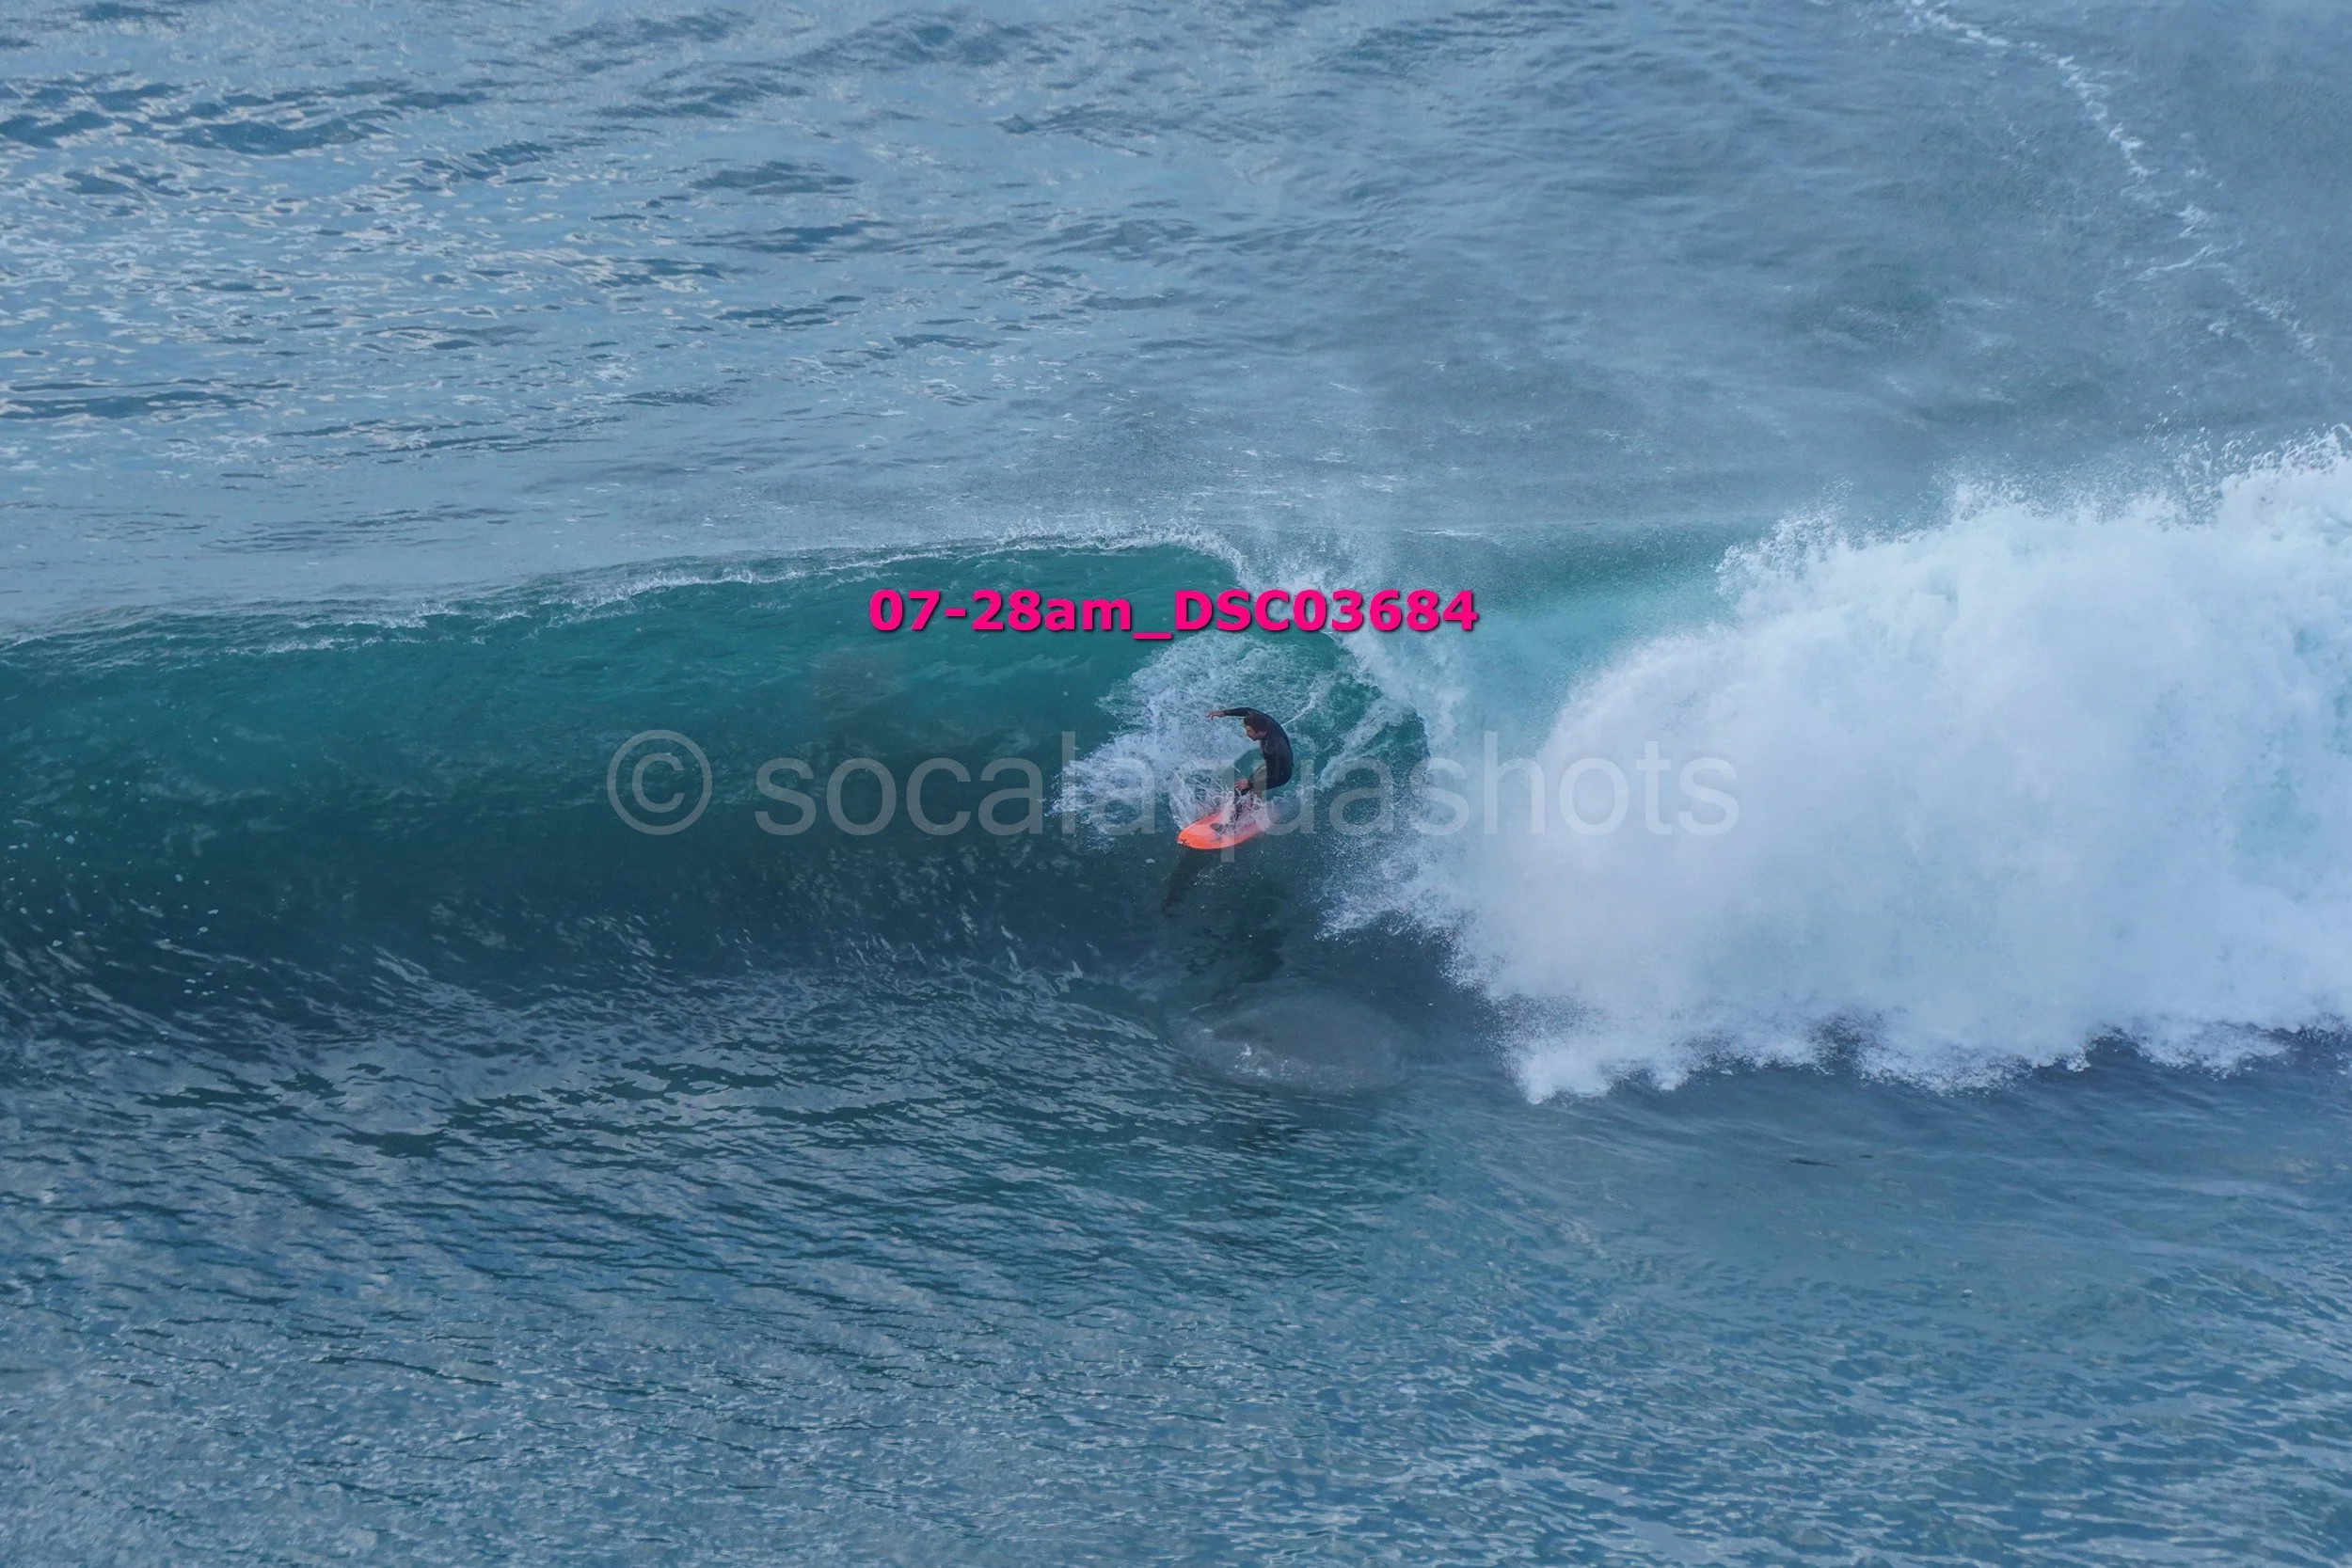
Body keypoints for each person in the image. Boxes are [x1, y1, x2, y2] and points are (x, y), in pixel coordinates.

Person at [1163, 706, 1295, 915]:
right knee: (1248, 787)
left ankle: (1230, 826)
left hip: (1280, 774)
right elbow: (1248, 711)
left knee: (1241, 789)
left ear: (1260, 732)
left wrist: (1250, 783)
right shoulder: (1264, 722)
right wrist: (1224, 713)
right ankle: (1253, 808)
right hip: (1273, 766)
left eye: (1249, 731)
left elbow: (1277, 776)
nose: (1246, 733)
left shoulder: (1272, 748)